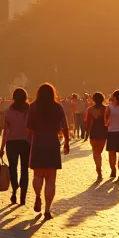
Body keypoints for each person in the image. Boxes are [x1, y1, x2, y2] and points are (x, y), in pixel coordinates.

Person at [27, 83, 71, 218]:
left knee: (37, 176)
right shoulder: (58, 107)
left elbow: (28, 129)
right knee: (51, 180)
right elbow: (65, 126)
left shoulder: (33, 107)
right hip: (52, 144)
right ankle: (47, 209)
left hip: (38, 143)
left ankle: (38, 196)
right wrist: (67, 143)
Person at [0, 88, 32, 206]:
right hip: (25, 143)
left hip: (11, 142)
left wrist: (2, 147)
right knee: (24, 169)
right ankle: (23, 195)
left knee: (12, 168)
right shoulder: (29, 110)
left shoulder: (9, 111)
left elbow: (6, 130)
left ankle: (14, 191)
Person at [87, 92, 109, 177]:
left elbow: (87, 122)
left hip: (94, 132)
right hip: (103, 132)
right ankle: (99, 166)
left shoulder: (90, 110)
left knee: (95, 151)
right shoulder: (106, 109)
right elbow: (108, 120)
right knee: (99, 151)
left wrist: (87, 131)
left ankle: (98, 167)